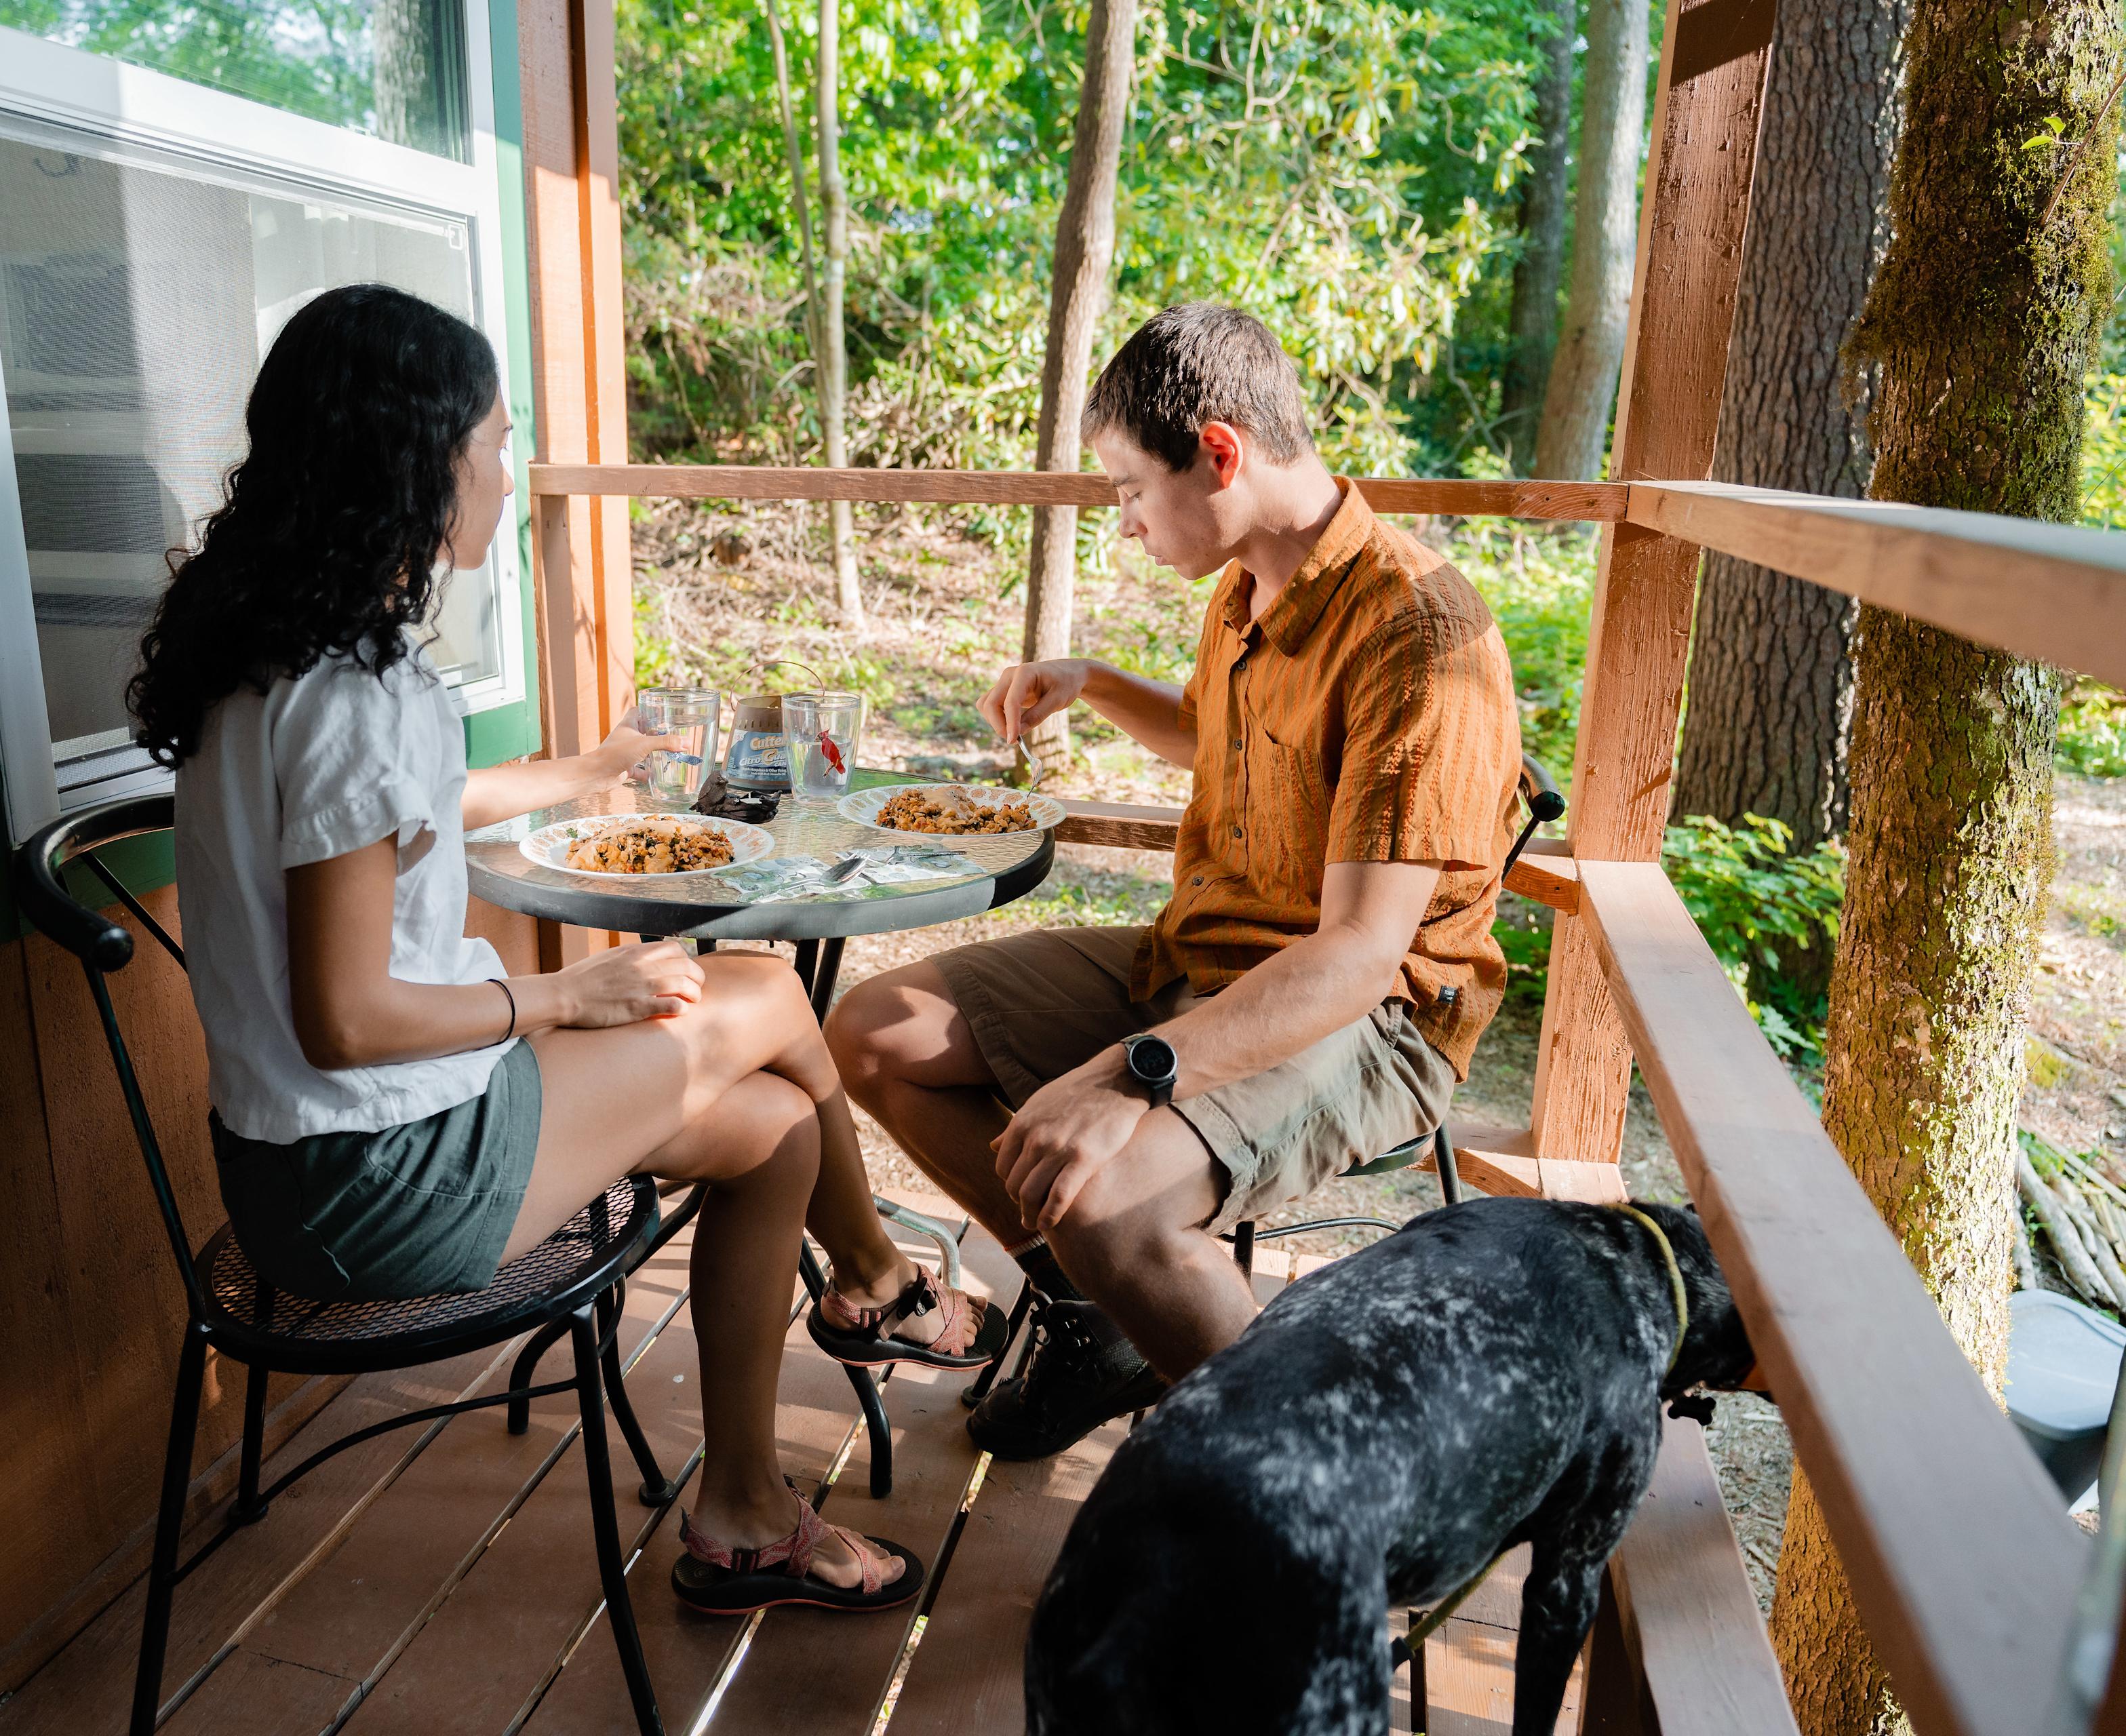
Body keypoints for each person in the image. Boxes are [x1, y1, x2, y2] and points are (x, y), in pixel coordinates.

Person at [127, 283, 998, 1615]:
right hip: (375, 1179)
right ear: (419, 470)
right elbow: (348, 1018)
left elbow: (384, 816)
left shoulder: (270, 660)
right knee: (762, 988)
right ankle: (878, 1282)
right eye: (493, 438)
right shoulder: (354, 696)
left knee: (775, 1127)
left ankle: (745, 1511)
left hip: (298, 1159)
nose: (507, 463)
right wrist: (563, 994)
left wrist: (583, 768)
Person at [825, 302, 1522, 1461]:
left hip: (1372, 1014)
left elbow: (1357, 954)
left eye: (1129, 490)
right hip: (1197, 960)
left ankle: (1313, 1491)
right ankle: (1102, 1316)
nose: (1125, 522)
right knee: (875, 1031)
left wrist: (1130, 1074)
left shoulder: (1420, 633)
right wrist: (1090, 678)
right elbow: (1217, 735)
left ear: (1221, 450)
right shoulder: (1248, 584)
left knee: (1107, 1191)